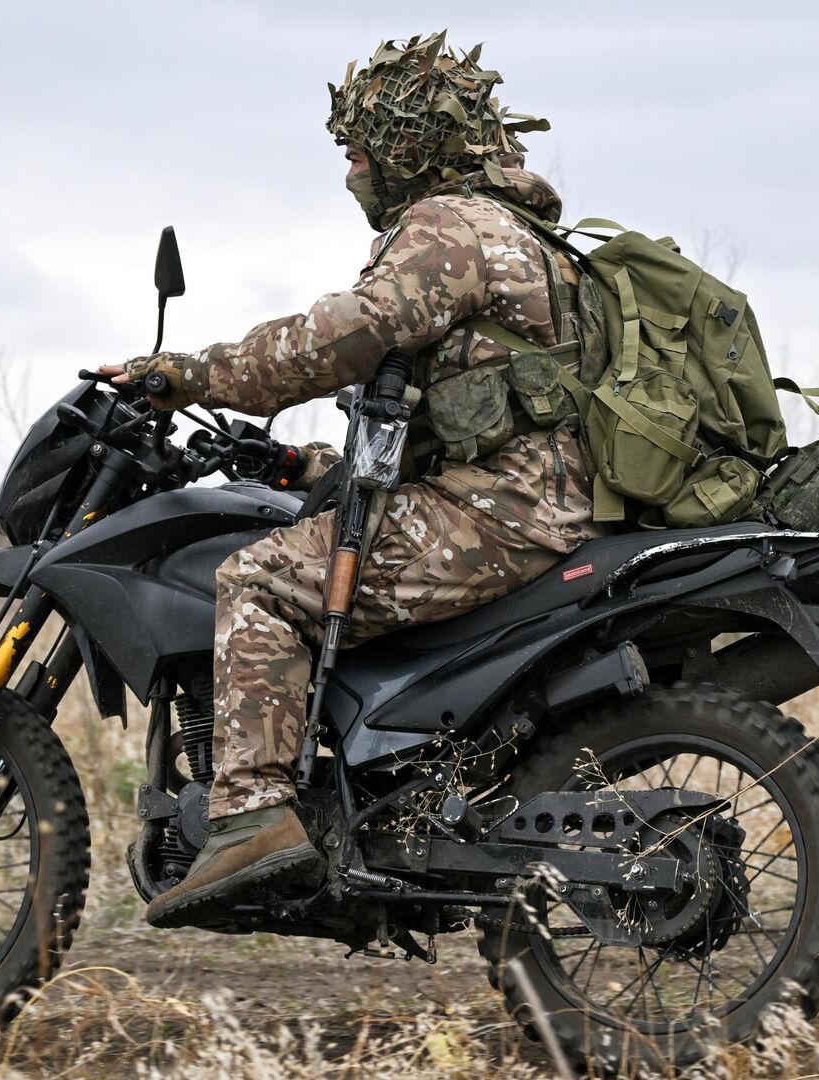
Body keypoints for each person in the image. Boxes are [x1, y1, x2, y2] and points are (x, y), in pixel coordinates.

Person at [97, 32, 609, 928]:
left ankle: (253, 817)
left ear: (410, 146)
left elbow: (348, 336)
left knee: (259, 579)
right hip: (526, 504)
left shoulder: (448, 227)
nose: (350, 177)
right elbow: (459, 421)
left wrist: (191, 374)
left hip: (498, 517)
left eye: (359, 153)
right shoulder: (525, 235)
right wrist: (304, 465)